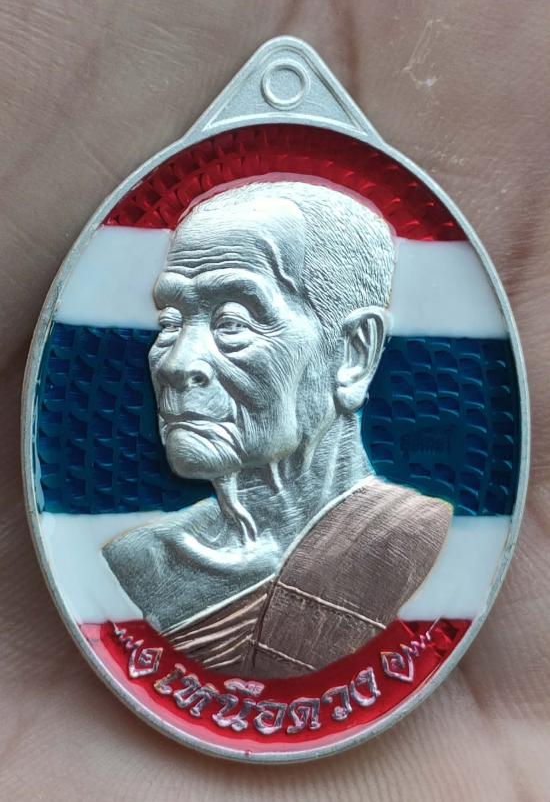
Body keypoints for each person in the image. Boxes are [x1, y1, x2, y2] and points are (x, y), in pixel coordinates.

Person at [102, 181, 452, 678]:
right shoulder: (140, 562)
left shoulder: (414, 542)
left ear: (353, 355)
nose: (177, 363)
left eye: (233, 322)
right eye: (170, 322)